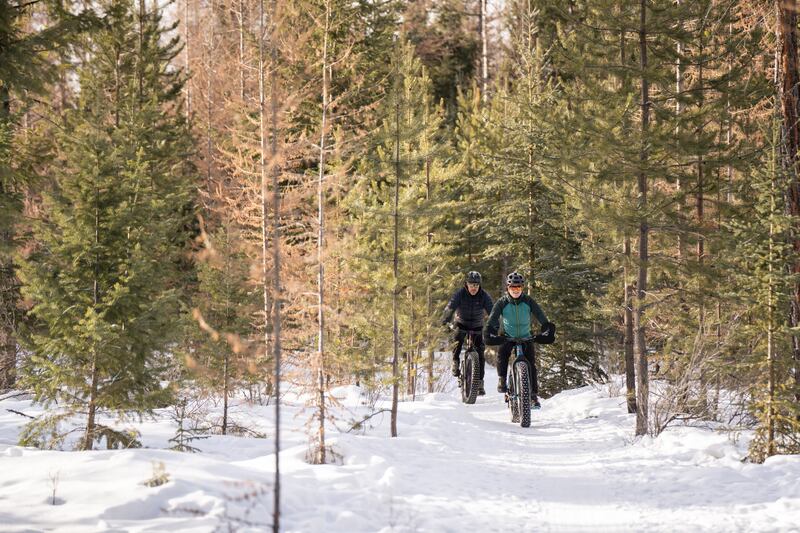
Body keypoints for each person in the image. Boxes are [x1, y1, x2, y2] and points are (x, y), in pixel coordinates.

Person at [483, 271, 555, 409]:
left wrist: (547, 328)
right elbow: (492, 319)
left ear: (522, 288)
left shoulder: (528, 301)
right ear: (507, 288)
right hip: (508, 337)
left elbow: (540, 316)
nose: (515, 290)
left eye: (518, 287)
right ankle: (502, 379)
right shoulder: (502, 303)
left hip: (526, 337)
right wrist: (490, 331)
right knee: (502, 355)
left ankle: (533, 396)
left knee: (531, 365)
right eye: (512, 288)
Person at [441, 271, 493, 395]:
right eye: (471, 285)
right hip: (461, 322)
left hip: (477, 325)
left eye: (476, 285)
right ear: (466, 284)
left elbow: (493, 311)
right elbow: (450, 307)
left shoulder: (484, 295)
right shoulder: (460, 294)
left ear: (479, 285)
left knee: (480, 352)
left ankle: (479, 383)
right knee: (457, 341)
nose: (473, 288)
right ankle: (455, 361)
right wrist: (445, 321)